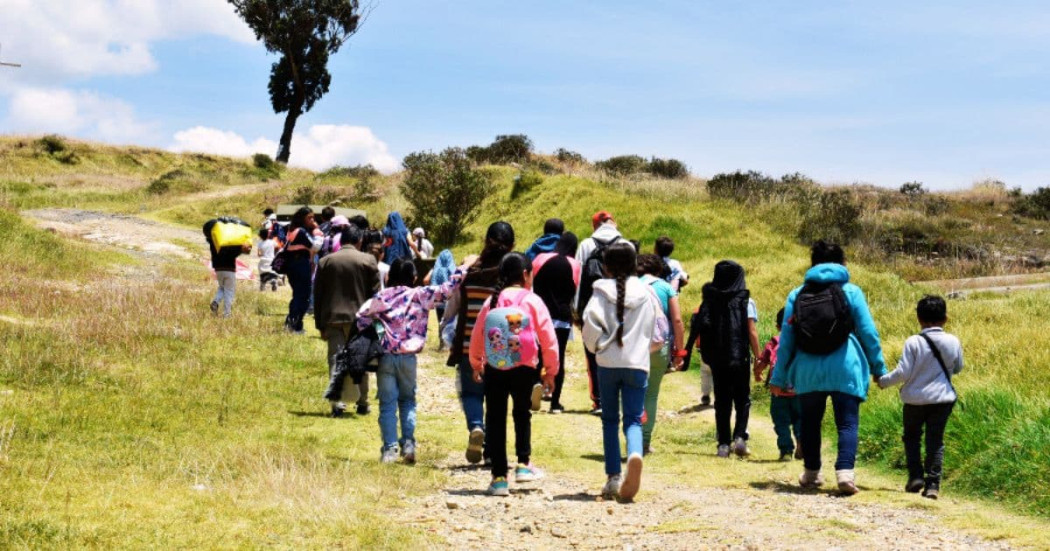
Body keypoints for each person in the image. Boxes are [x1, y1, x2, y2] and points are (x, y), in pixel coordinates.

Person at [770, 241, 887, 495]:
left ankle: (811, 473)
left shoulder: (797, 293)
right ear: (842, 262)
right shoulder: (852, 291)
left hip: (807, 370)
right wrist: (878, 368)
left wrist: (778, 377)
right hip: (845, 366)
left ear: (813, 263)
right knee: (846, 423)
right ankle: (845, 474)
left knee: (811, 422)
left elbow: (787, 340)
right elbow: (868, 333)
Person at [356, 255, 474, 463]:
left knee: (387, 404)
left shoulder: (383, 296)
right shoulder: (421, 295)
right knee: (408, 400)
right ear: (414, 277)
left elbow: (361, 316)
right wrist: (464, 268)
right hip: (409, 358)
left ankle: (390, 450)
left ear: (390, 276)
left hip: (386, 357)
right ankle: (408, 444)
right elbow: (447, 289)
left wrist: (380, 331)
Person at [470, 252, 558, 496]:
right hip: (525, 368)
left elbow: (478, 333)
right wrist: (550, 371)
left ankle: (499, 478)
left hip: (495, 367)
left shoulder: (492, 301)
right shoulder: (533, 300)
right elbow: (548, 338)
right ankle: (523, 464)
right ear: (526, 275)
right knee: (522, 413)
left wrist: (476, 362)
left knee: (495, 419)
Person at [582, 242, 665, 501]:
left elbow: (589, 325)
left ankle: (613, 477)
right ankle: (635, 454)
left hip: (607, 364)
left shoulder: (599, 292)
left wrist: (597, 347)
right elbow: (654, 327)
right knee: (632, 419)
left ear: (605, 266)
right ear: (634, 265)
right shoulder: (646, 293)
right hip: (637, 363)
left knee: (609, 420)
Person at [878, 295, 963, 500]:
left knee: (912, 437)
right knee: (936, 441)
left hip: (914, 400)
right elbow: (958, 367)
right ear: (945, 318)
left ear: (919, 318)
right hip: (942, 400)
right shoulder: (953, 340)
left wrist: (883, 381)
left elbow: (903, 373)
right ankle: (933, 484)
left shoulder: (913, 342)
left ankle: (915, 476)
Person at [445, 222, 516, 465]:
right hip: (503, 348)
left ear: (485, 241)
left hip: (468, 345)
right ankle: (492, 452)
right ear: (513, 246)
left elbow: (453, 306)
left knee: (472, 393)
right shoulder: (513, 277)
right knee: (497, 400)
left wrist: (445, 326)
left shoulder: (469, 273)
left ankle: (477, 427)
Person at [691, 260, 760, 458]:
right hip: (739, 357)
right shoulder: (746, 300)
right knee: (742, 398)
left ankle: (723, 444)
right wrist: (758, 356)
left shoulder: (710, 300)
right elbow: (751, 331)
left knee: (722, 400)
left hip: (717, 358)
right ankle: (739, 437)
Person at [314, 224, 379, 417]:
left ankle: (337, 403)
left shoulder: (325, 261)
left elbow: (318, 295)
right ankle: (362, 402)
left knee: (336, 359)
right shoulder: (368, 260)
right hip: (360, 320)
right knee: (360, 360)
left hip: (332, 319)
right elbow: (376, 295)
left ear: (340, 242)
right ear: (359, 241)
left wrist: (320, 324)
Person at [576, 210, 624, 415]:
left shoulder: (587, 244)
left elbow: (577, 278)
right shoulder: (626, 245)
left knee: (593, 350)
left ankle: (599, 400)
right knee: (620, 349)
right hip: (621, 306)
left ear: (595, 225)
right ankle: (619, 397)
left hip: (592, 305)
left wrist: (576, 309)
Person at [636, 254, 685, 454]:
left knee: (632, 391)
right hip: (659, 346)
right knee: (652, 394)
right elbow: (678, 321)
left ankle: (631, 433)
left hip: (633, 347)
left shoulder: (631, 285)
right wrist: (679, 351)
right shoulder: (666, 288)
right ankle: (645, 441)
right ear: (658, 270)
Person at [531, 232, 581, 413]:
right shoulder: (574, 264)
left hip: (539, 314)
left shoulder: (540, 259)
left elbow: (531, 283)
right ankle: (555, 403)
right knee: (558, 358)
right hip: (561, 317)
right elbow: (574, 289)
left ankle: (535, 386)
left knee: (536, 355)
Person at [753, 308, 802, 461]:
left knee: (781, 422)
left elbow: (762, 362)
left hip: (778, 392)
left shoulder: (775, 341)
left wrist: (757, 373)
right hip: (800, 391)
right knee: (800, 420)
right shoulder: (803, 342)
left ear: (778, 326)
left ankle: (786, 450)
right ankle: (802, 443)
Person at [283, 207, 322, 333]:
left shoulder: (294, 230)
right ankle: (294, 324)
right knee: (303, 295)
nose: (312, 220)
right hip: (299, 264)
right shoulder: (301, 232)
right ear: (302, 218)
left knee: (298, 295)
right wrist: (317, 231)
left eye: (313, 217)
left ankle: (293, 323)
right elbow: (316, 246)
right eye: (309, 218)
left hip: (294, 264)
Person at [203, 220, 251, 317]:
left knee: (222, 288)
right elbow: (232, 253)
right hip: (229, 269)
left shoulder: (214, 243)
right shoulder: (226, 243)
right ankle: (227, 314)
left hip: (218, 269)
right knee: (229, 290)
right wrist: (241, 249)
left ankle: (216, 302)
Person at [425, 249, 457, 350]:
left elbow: (425, 280)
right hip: (450, 300)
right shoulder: (453, 269)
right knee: (450, 321)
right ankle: (449, 343)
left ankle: (441, 343)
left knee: (440, 320)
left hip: (438, 300)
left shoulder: (435, 269)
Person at [257, 227, 279, 292]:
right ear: (268, 235)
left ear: (260, 236)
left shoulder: (259, 243)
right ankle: (273, 280)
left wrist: (263, 254)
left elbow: (259, 254)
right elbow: (278, 247)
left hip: (263, 261)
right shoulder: (272, 242)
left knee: (263, 276)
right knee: (273, 274)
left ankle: (262, 286)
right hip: (271, 260)